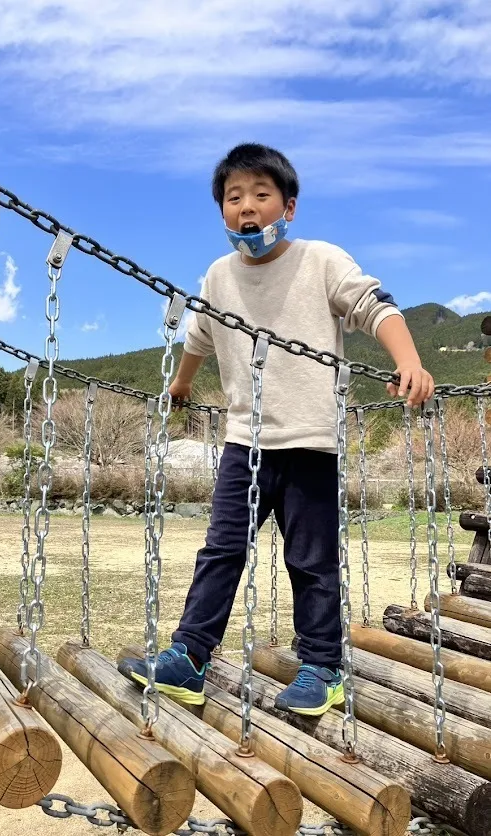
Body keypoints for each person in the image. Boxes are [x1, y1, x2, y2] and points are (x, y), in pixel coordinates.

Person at [118, 143, 435, 715]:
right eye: (234, 197)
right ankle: (189, 658)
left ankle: (322, 666)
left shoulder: (320, 260)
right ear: (221, 211)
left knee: (310, 559)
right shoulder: (217, 276)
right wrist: (182, 386)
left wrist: (408, 361)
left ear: (288, 206)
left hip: (311, 440)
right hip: (245, 443)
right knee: (220, 551)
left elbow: (375, 306)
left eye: (261, 195)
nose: (247, 207)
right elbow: (199, 338)